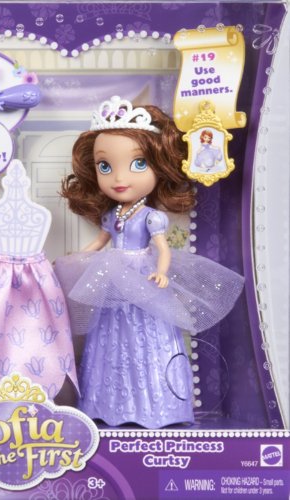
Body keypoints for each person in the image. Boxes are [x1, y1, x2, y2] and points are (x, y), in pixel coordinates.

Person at [55, 96, 244, 428]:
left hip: (143, 275)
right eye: (105, 166)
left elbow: (163, 249)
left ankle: (157, 407)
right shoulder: (112, 214)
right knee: (109, 333)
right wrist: (80, 258)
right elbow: (100, 242)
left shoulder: (151, 216)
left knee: (149, 333)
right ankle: (108, 404)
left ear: (159, 165)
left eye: (138, 163)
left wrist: (160, 271)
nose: (119, 177)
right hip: (114, 275)